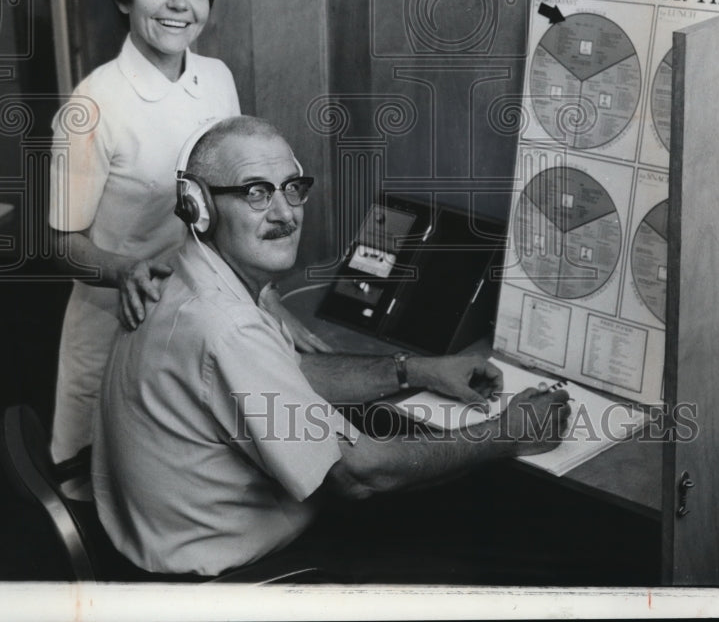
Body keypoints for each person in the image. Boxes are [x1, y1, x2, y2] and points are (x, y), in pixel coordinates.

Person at [92, 115, 571, 580]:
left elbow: (292, 373)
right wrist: (507, 432)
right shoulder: (225, 326)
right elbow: (360, 473)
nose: (284, 214)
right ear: (199, 207)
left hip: (151, 545)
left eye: (292, 188)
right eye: (255, 192)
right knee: (492, 543)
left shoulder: (185, 276)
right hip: (234, 579)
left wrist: (416, 370)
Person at [48, 0, 325, 470]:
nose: (179, 3)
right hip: (118, 325)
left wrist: (268, 306)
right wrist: (123, 270)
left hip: (200, 319)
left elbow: (230, 217)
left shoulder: (217, 80)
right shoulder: (93, 105)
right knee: (112, 481)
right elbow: (62, 241)